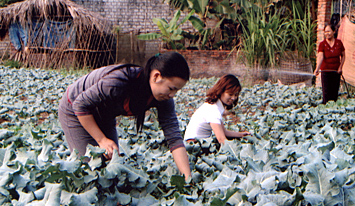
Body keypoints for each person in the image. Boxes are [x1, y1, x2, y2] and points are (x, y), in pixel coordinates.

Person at [58, 51, 191, 179]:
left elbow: (174, 138)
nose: (172, 95)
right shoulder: (120, 80)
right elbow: (80, 105)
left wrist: (187, 178)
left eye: (176, 91)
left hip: (105, 115)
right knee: (88, 170)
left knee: (113, 167)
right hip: (74, 109)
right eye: (171, 88)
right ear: (156, 76)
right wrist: (101, 140)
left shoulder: (164, 99)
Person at [184, 74, 251, 144]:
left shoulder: (215, 106)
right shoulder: (214, 110)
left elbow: (224, 132)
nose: (233, 98)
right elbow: (221, 139)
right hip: (193, 145)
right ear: (221, 91)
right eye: (230, 94)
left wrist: (242, 134)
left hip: (199, 143)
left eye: (236, 95)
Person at [314, 23, 346, 104]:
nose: (327, 33)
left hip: (336, 72)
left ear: (334, 31)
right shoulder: (322, 44)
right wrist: (317, 69)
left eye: (328, 31)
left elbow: (343, 56)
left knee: (334, 93)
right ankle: (326, 109)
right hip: (326, 72)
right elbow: (320, 57)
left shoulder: (339, 43)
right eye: (325, 32)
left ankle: (333, 109)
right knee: (326, 93)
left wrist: (340, 67)